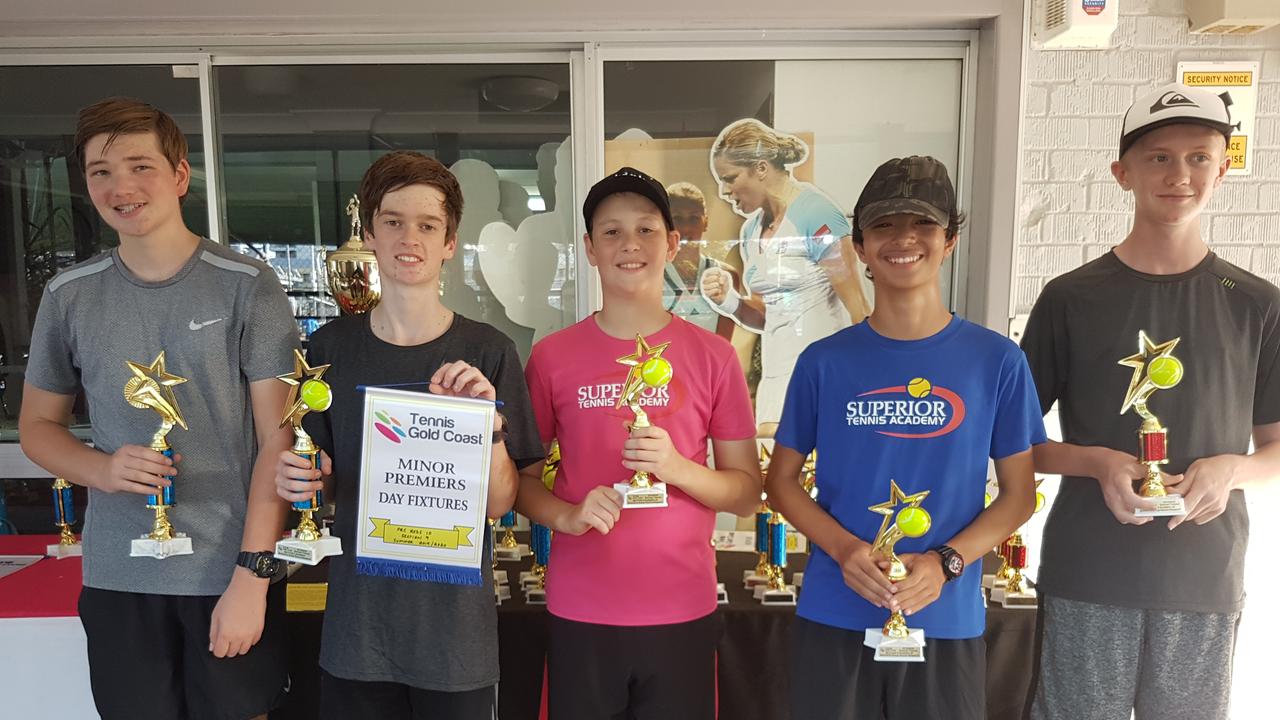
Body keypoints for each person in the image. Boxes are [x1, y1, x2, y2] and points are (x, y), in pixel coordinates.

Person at [19, 97, 297, 720]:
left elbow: (278, 442)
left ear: (179, 175)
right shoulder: (69, 297)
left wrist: (253, 575)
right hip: (120, 579)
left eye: (140, 166)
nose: (121, 187)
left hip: (226, 574)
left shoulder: (247, 285)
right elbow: (38, 428)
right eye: (101, 172)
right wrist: (102, 468)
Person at [1022, 83, 1280, 720]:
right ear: (1123, 173)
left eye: (1198, 157)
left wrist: (1232, 470)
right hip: (1090, 569)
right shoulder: (1070, 297)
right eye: (1159, 157)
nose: (1180, 174)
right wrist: (1099, 464)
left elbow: (1276, 451)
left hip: (1203, 573)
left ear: (1224, 169)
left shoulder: (1255, 303)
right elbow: (1016, 446)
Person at [764, 155, 1044, 719]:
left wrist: (945, 562)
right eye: (885, 225)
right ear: (861, 246)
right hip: (835, 609)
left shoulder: (997, 361)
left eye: (923, 225)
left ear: (950, 240)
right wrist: (844, 550)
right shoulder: (823, 362)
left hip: (945, 617)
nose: (903, 240)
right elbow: (782, 481)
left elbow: (1019, 494)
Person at [273, 151, 543, 719]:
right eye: (393, 222)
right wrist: (299, 476)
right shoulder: (327, 352)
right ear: (369, 233)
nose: (409, 239)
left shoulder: (490, 352)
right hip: (358, 634)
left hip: (456, 642)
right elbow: (319, 480)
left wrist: (489, 426)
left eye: (428, 225)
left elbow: (500, 502)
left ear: (450, 242)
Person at [517, 167, 761, 719]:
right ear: (589, 248)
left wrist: (676, 467)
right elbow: (522, 486)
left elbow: (747, 493)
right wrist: (566, 516)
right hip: (583, 610)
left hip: (682, 610)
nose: (630, 244)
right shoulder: (553, 357)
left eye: (647, 229)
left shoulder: (713, 357)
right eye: (612, 232)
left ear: (673, 244)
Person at [699, 118, 870, 430]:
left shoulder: (816, 214)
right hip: (775, 381)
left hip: (822, 378)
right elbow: (766, 316)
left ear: (761, 168)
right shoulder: (751, 229)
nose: (724, 191)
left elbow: (858, 311)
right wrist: (729, 300)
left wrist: (869, 394)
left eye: (730, 178)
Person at [661, 182, 722, 333]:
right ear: (666, 223)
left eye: (694, 218)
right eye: (677, 218)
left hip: (710, 357)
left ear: (705, 222)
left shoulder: (722, 275)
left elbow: (724, 344)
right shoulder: (650, 276)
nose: (686, 228)